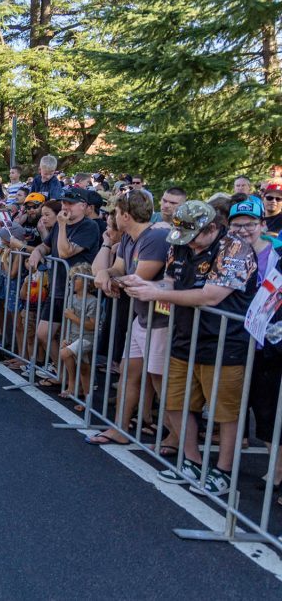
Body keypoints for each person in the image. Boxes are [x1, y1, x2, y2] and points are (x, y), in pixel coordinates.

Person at [121, 200, 259, 496]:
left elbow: (211, 296)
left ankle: (223, 472)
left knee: (225, 412)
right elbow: (170, 282)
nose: (189, 244)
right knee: (174, 401)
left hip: (224, 342)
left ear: (212, 228)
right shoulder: (180, 243)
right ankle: (192, 462)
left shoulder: (235, 248)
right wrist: (147, 285)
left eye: (194, 237)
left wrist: (156, 292)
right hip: (184, 336)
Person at [89, 190, 173, 448]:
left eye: (115, 213)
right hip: (142, 316)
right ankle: (119, 428)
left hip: (161, 319)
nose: (112, 217)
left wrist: (109, 279)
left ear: (126, 215)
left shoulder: (156, 237)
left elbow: (141, 276)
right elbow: (119, 269)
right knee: (128, 372)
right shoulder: (127, 238)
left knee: (160, 381)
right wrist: (106, 273)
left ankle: (179, 438)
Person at [27, 188, 101, 369]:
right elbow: (46, 246)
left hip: (78, 293)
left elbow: (64, 252)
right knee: (43, 334)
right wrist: (36, 252)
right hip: (57, 288)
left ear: (83, 206)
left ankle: (74, 381)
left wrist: (60, 226)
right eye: (64, 202)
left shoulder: (89, 227)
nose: (65, 206)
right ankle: (60, 371)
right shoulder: (62, 224)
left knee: (73, 342)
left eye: (70, 203)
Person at [59, 262, 98, 408]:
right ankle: (86, 400)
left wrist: (73, 317)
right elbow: (68, 322)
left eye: (76, 279)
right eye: (71, 279)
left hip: (87, 338)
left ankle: (72, 385)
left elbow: (92, 325)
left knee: (64, 354)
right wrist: (66, 338)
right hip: (74, 337)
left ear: (87, 281)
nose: (72, 282)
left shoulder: (93, 301)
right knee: (84, 368)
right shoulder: (72, 298)